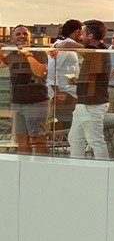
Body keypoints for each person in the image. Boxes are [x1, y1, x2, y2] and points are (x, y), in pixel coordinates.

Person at [67, 20, 111, 159]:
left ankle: (103, 172)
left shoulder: (99, 51)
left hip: (94, 103)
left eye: (83, 33)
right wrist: (78, 82)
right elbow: (94, 77)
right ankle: (77, 168)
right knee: (74, 138)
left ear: (90, 36)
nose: (80, 36)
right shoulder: (96, 52)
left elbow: (65, 44)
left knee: (95, 141)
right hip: (84, 102)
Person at [6, 25, 48, 154]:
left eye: (25, 34)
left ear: (30, 38)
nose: (22, 36)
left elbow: (41, 72)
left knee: (37, 139)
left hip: (36, 102)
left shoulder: (38, 52)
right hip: (17, 103)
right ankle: (25, 169)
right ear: (12, 39)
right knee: (21, 139)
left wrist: (28, 54)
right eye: (18, 34)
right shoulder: (12, 54)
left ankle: (43, 168)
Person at [46, 19, 81, 133]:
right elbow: (53, 67)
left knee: (68, 121)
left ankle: (64, 147)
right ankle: (57, 147)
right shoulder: (63, 45)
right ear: (77, 31)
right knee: (60, 121)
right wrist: (57, 91)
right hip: (63, 91)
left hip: (70, 90)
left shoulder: (68, 45)